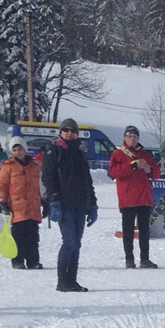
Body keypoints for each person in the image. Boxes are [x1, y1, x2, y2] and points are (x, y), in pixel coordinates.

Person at [42, 119, 98, 292]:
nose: (69, 133)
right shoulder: (54, 151)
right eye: (66, 130)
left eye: (73, 131)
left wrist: (93, 204)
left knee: (77, 243)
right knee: (69, 242)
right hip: (64, 204)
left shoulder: (79, 153)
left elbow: (87, 181)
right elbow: (48, 178)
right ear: (60, 132)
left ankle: (72, 280)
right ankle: (62, 281)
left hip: (80, 204)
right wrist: (54, 201)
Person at [109, 124, 161, 268]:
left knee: (144, 230)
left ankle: (145, 258)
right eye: (130, 136)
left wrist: (148, 168)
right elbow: (114, 172)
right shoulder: (118, 154)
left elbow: (156, 173)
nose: (132, 139)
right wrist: (132, 165)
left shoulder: (144, 154)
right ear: (125, 137)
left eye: (135, 136)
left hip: (144, 198)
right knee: (128, 229)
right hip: (128, 198)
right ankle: (129, 259)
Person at [0, 136, 43, 269]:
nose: (18, 152)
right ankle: (18, 261)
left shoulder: (35, 166)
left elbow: (41, 185)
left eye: (20, 149)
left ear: (25, 149)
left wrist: (45, 201)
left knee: (33, 236)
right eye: (15, 150)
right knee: (19, 236)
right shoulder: (8, 167)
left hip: (33, 207)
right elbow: (2, 185)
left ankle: (33, 261)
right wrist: (3, 202)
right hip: (17, 208)